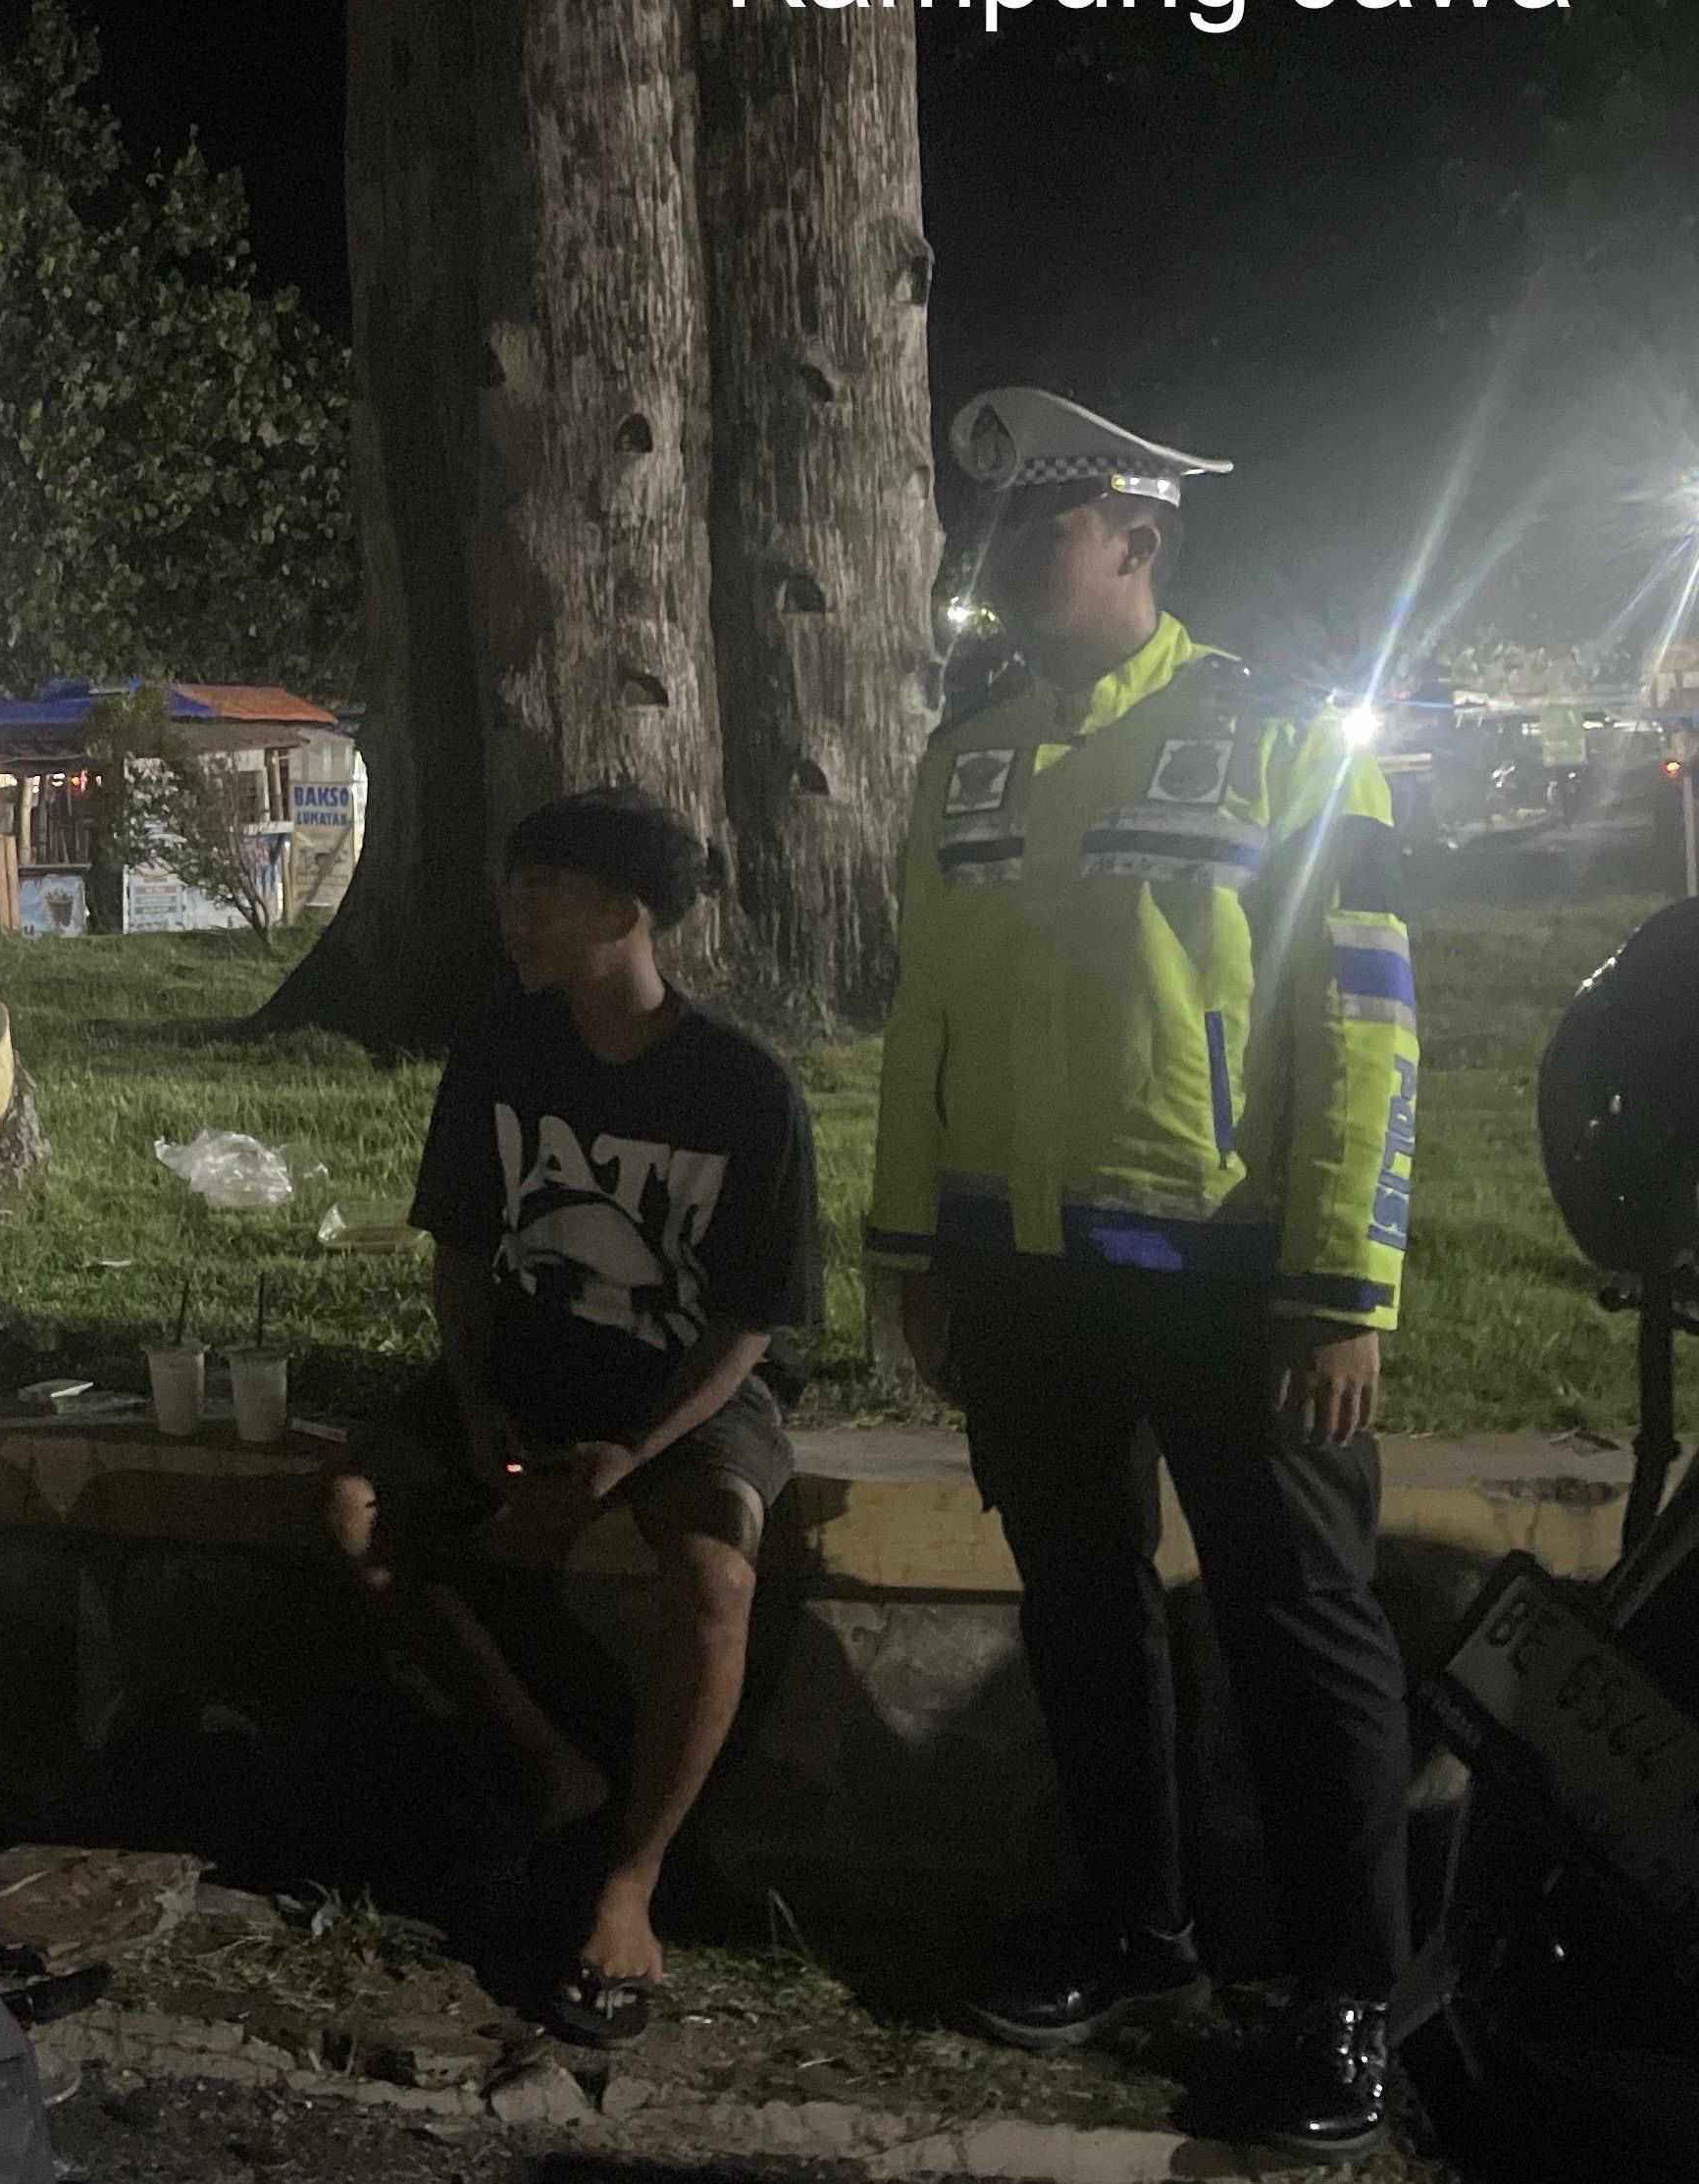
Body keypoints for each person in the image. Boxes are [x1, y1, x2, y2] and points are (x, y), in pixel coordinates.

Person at [870, 390, 1416, 2162]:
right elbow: (924, 1021)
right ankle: (1135, 1930)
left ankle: (1348, 1995)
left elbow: (1365, 1015)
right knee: (1081, 1612)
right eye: (999, 526)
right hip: (1020, 1273)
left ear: (1139, 541)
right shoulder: (963, 757)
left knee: (1299, 1626)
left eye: (1047, 524)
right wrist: (912, 1252)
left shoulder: (1282, 736)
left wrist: (1341, 1283)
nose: (1012, 554)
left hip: (1234, 1277)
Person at [321, 788, 818, 2051]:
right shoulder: (503, 1047)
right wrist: (480, 1407)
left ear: (625, 912)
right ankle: (551, 1767)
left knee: (713, 1573)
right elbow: (460, 1252)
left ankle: (632, 1882)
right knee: (358, 1513)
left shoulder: (743, 1090)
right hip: (529, 1371)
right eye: (513, 887)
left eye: (540, 890)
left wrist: (630, 1457)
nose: (512, 916)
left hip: (682, 1390)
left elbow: (749, 1325)